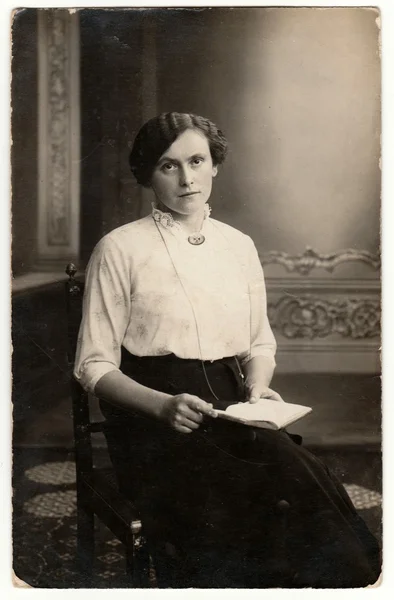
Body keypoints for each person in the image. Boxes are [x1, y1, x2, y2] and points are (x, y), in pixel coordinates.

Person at [74, 112, 380, 588]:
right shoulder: (119, 249)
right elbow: (93, 366)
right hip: (154, 421)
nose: (187, 177)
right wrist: (163, 406)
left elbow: (258, 343)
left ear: (214, 164)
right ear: (147, 175)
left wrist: (259, 388)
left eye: (196, 160)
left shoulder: (238, 246)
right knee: (251, 493)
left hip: (231, 408)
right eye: (168, 166)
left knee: (303, 480)